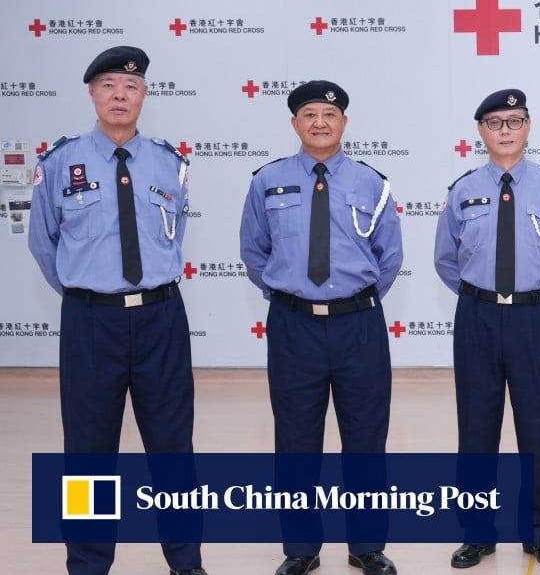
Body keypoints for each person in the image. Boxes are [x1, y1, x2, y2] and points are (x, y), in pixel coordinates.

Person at [27, 46, 207, 575]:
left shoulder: (170, 163)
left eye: (130, 86)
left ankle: (185, 561)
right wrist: (89, 297)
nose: (119, 95)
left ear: (145, 95)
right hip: (90, 323)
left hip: (160, 320)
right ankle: (87, 563)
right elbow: (44, 244)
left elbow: (173, 238)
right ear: (92, 93)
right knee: (87, 453)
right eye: (108, 85)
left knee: (173, 447)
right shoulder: (59, 163)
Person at [239, 80, 403, 575]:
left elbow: (389, 258)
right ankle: (301, 550)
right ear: (295, 124)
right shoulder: (267, 181)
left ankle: (366, 547)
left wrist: (350, 298)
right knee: (295, 441)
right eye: (308, 114)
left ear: (344, 124)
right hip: (293, 327)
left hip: (359, 327)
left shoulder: (372, 183)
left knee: (366, 440)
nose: (319, 122)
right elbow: (254, 251)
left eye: (329, 114)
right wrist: (291, 297)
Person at [433, 88, 540, 569]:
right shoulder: (461, 189)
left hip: (534, 318)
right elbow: (445, 259)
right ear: (481, 131)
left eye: (515, 121)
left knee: (539, 428)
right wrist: (485, 299)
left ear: (528, 126)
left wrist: (539, 300)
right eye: (495, 122)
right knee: (476, 428)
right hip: (477, 316)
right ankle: (477, 533)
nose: (505, 130)